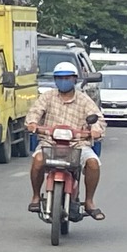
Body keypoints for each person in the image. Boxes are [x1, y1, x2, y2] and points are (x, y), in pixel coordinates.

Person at [26, 61, 105, 219]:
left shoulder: (84, 100)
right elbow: (34, 112)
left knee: (93, 164)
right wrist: (33, 123)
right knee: (38, 160)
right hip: (50, 143)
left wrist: (95, 130)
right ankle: (35, 196)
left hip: (77, 145)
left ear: (74, 79)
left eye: (67, 78)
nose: (64, 81)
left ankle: (89, 202)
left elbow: (98, 119)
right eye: (60, 78)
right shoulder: (47, 97)